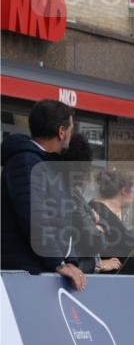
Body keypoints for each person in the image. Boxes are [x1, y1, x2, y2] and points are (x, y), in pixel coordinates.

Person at [0, 99, 85, 290]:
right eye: (71, 128)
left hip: (42, 273)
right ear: (61, 131)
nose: (72, 133)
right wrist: (58, 262)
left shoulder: (49, 164)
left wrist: (70, 260)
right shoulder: (25, 161)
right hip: (25, 276)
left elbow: (62, 219)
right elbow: (34, 216)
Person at [59, 134, 121, 275]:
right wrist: (98, 264)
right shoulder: (71, 195)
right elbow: (96, 241)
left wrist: (100, 225)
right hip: (76, 277)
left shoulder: (76, 194)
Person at [90, 168, 134, 275]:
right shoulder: (96, 211)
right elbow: (87, 244)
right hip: (110, 280)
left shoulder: (113, 212)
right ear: (124, 191)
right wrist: (99, 264)